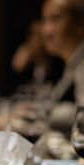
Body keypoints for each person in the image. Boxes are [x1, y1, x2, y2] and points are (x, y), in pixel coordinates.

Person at [42, 0, 84, 134]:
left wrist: (41, 112)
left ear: (80, 23)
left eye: (55, 19)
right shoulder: (73, 62)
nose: (46, 30)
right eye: (45, 20)